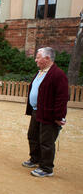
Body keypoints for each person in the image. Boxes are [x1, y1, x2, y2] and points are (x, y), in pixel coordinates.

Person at [22, 47, 68, 178]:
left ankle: (47, 168)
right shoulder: (41, 72)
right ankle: (35, 159)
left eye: (38, 57)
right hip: (37, 111)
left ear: (47, 58)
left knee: (46, 141)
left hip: (49, 114)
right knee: (33, 136)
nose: (35, 60)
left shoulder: (58, 74)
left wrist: (59, 116)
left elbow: (62, 97)